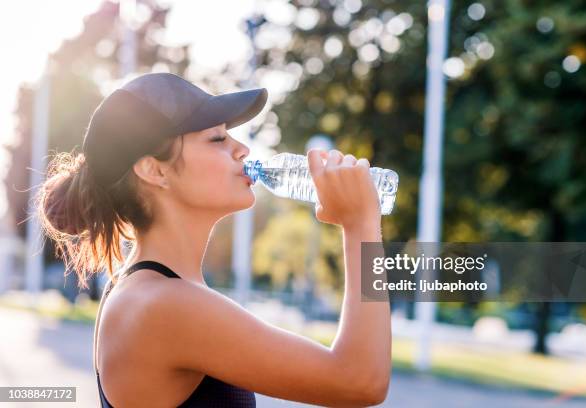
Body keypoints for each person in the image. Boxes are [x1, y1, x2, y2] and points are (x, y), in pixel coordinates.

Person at [37, 73, 391, 407]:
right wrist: (360, 225)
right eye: (218, 138)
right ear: (153, 170)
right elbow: (359, 381)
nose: (242, 150)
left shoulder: (152, 291)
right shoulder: (163, 305)